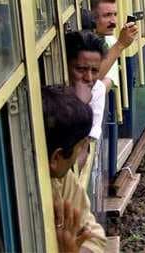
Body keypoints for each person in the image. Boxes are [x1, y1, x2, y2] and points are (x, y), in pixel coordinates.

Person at [42, 85, 107, 253]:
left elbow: (95, 235)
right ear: (56, 158)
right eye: (80, 147)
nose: (81, 154)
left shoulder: (60, 178)